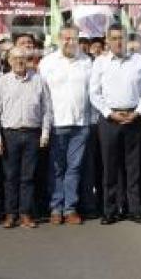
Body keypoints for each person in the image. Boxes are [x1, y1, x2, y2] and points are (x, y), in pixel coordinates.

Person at [89, 24, 141, 224]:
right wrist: (109, 113)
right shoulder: (100, 62)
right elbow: (94, 93)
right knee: (110, 167)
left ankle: (134, 209)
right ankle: (110, 210)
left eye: (121, 38)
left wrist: (138, 112)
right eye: (114, 38)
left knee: (134, 168)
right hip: (110, 120)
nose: (118, 42)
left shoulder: (138, 60)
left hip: (134, 119)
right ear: (107, 41)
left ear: (126, 40)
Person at [0, 47, 52, 228]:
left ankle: (25, 213)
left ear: (28, 61)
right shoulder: (1, 83)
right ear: (9, 61)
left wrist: (45, 132)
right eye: (15, 58)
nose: (19, 61)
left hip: (33, 134)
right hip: (10, 134)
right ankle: (10, 214)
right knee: (10, 176)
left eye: (22, 58)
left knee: (28, 176)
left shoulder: (39, 81)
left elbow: (47, 110)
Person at [38, 25, 93, 225]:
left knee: (75, 168)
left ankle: (70, 208)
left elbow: (92, 92)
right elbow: (42, 95)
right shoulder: (47, 63)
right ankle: (55, 207)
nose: (70, 42)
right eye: (66, 38)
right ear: (59, 39)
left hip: (80, 124)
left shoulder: (87, 62)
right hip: (56, 123)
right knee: (56, 168)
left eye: (74, 38)